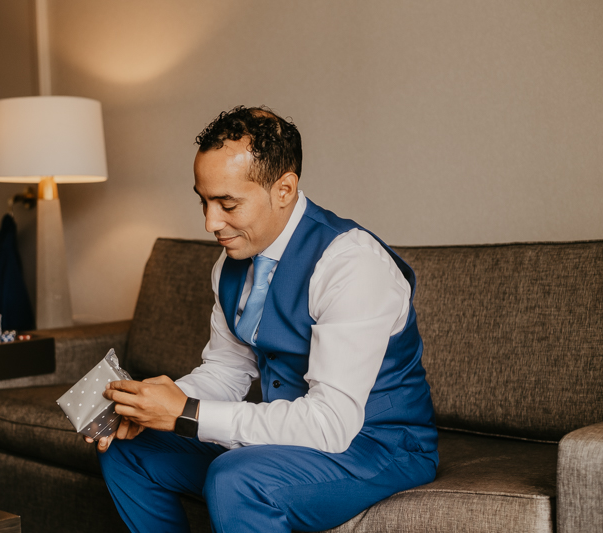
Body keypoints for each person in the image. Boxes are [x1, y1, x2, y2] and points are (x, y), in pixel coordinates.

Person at [91, 106, 438, 533]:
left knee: (237, 479)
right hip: (292, 437)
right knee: (126, 449)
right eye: (204, 200)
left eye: (227, 203)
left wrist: (187, 413)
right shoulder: (231, 263)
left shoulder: (351, 263)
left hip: (377, 445)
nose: (210, 222)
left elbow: (330, 425)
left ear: (284, 189)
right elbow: (227, 370)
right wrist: (150, 406)